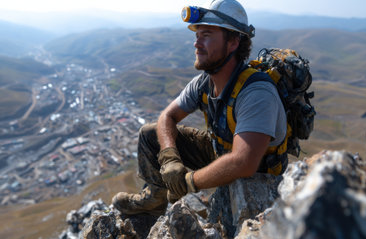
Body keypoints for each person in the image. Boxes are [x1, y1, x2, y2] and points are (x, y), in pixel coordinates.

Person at [112, 0, 287, 216]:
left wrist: (187, 182)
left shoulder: (257, 92)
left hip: (258, 177)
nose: (196, 43)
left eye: (206, 35)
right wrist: (169, 157)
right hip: (221, 151)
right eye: (197, 35)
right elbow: (167, 116)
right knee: (150, 134)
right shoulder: (204, 82)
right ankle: (154, 199)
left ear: (233, 42)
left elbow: (244, 162)